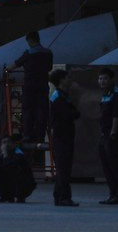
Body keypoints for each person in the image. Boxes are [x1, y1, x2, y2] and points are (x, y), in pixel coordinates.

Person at [12, 31, 54, 142]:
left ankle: (27, 134)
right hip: (43, 85)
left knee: (28, 109)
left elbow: (16, 64)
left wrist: (7, 70)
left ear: (30, 40)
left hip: (30, 86)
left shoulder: (29, 53)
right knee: (42, 110)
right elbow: (49, 68)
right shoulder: (48, 52)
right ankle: (41, 135)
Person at [97, 67, 118, 205]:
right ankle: (113, 193)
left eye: (105, 78)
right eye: (100, 78)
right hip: (104, 134)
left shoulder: (117, 95)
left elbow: (117, 116)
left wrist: (113, 132)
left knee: (116, 164)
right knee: (107, 166)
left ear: (111, 79)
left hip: (112, 135)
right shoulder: (105, 95)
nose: (102, 81)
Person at [48, 68, 80, 207]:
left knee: (63, 167)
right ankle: (64, 197)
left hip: (62, 135)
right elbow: (71, 114)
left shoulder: (61, 95)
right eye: (68, 77)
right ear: (61, 80)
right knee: (64, 168)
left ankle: (59, 196)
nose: (70, 80)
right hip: (63, 135)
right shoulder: (60, 97)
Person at [0, 134, 36, 203]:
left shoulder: (19, 153)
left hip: (25, 185)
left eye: (8, 142)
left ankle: (19, 195)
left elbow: (10, 166)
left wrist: (5, 155)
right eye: (4, 142)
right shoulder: (4, 153)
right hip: (12, 182)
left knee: (13, 170)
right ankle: (5, 195)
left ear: (15, 144)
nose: (6, 145)